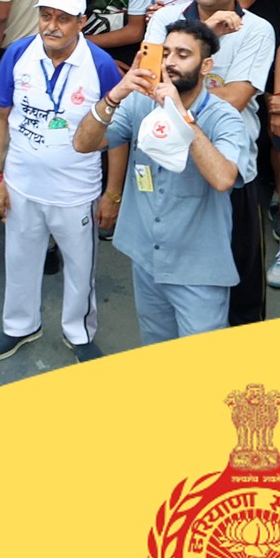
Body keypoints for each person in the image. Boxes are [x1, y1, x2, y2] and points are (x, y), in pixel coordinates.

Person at [76, 18, 257, 343]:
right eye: (167, 52)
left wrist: (180, 116)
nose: (170, 61)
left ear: (206, 66)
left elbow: (223, 178)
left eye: (183, 54)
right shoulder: (140, 103)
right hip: (146, 259)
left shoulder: (224, 117)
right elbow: (83, 144)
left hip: (198, 271)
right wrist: (115, 95)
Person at [0, 0, 122, 361]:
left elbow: (119, 135)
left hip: (76, 191)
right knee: (19, 260)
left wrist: (112, 194)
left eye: (63, 18)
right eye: (45, 16)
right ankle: (20, 326)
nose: (52, 26)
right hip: (21, 185)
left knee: (81, 267)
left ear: (82, 21)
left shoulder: (100, 65)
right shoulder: (19, 53)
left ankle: (79, 333)